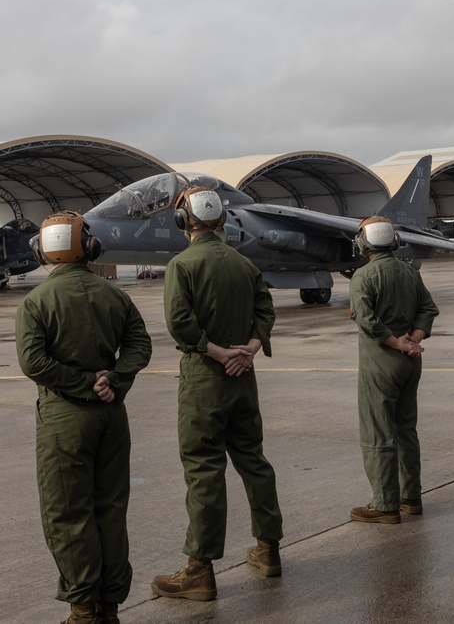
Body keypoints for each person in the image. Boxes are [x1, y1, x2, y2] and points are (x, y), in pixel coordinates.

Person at [15, 211, 152, 624]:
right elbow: (139, 345)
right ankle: (109, 606)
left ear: (44, 251)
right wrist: (113, 379)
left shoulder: (36, 302)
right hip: (112, 415)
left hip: (65, 419)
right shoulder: (115, 295)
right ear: (88, 247)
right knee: (110, 509)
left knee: (68, 513)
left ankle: (83, 609)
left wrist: (81, 383)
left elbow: (33, 362)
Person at [151, 186, 283, 603]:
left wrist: (218, 352)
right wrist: (249, 349)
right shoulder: (244, 264)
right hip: (243, 378)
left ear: (183, 221)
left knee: (204, 470)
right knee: (254, 462)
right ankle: (268, 550)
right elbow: (266, 310)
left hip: (205, 378)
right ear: (221, 219)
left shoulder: (182, 265)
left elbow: (180, 323)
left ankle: (199, 571)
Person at [347, 216, 439, 524]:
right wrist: (414, 338)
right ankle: (410, 496)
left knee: (378, 433)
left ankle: (385, 505)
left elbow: (367, 319)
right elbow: (428, 308)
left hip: (381, 363)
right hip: (411, 363)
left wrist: (397, 343)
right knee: (405, 429)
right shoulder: (409, 271)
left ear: (364, 244)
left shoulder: (363, 276)